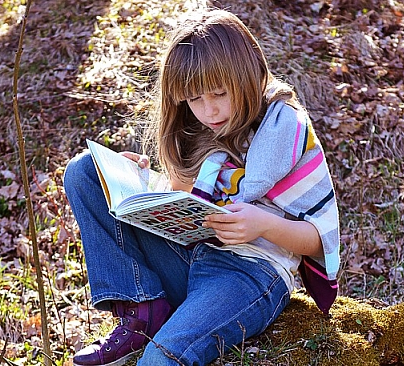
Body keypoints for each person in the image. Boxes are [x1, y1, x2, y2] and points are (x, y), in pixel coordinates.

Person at [62, 8, 341, 366]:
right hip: (191, 254)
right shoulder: (199, 132)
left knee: (159, 360)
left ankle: (161, 334)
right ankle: (142, 308)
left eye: (219, 94)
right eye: (195, 99)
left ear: (249, 73)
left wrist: (262, 224)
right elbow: (187, 204)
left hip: (249, 273)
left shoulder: (283, 129)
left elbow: (322, 237)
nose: (209, 111)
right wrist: (138, 183)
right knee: (86, 172)